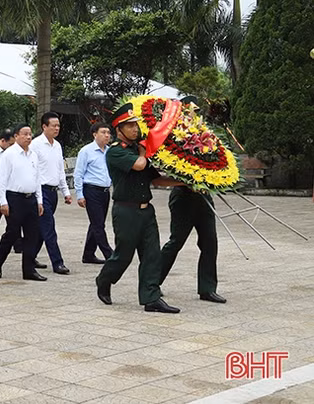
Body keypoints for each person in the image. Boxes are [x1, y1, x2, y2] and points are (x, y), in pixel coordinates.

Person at [95, 103, 183, 313]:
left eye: (136, 125)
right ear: (119, 130)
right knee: (123, 255)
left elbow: (156, 180)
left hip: (146, 210)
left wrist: (184, 182)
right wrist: (145, 150)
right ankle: (104, 279)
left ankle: (151, 298)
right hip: (126, 211)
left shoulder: (139, 150)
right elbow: (139, 165)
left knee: (152, 255)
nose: (135, 129)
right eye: (130, 126)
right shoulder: (115, 152)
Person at [160, 97, 226, 304]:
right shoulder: (172, 136)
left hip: (204, 196)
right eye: (189, 110)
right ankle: (151, 282)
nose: (192, 114)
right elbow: (166, 165)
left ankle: (207, 288)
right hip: (183, 197)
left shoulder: (203, 135)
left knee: (210, 242)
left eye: (195, 111)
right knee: (176, 242)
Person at [0, 124, 46, 281]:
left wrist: (39, 200)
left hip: (31, 199)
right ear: (16, 136)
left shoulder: (33, 155)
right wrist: (2, 201)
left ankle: (29, 270)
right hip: (14, 198)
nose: (28, 137)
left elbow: (37, 179)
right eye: (25, 134)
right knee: (13, 233)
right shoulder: (9, 154)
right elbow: (2, 180)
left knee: (32, 234)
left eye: (30, 134)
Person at [30, 112, 72, 275]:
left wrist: (65, 192)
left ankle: (31, 256)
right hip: (41, 191)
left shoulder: (57, 145)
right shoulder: (35, 145)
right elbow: (32, 170)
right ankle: (57, 262)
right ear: (44, 126)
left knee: (42, 229)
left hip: (53, 191)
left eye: (58, 126)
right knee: (49, 227)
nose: (57, 128)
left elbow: (60, 170)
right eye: (53, 125)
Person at [74, 123, 113, 264]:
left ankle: (88, 254)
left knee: (97, 222)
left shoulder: (110, 151)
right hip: (91, 190)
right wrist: (80, 194)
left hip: (105, 191)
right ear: (94, 134)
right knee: (98, 225)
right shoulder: (86, 151)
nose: (107, 135)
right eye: (103, 132)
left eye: (108, 132)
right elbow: (78, 174)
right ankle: (109, 254)